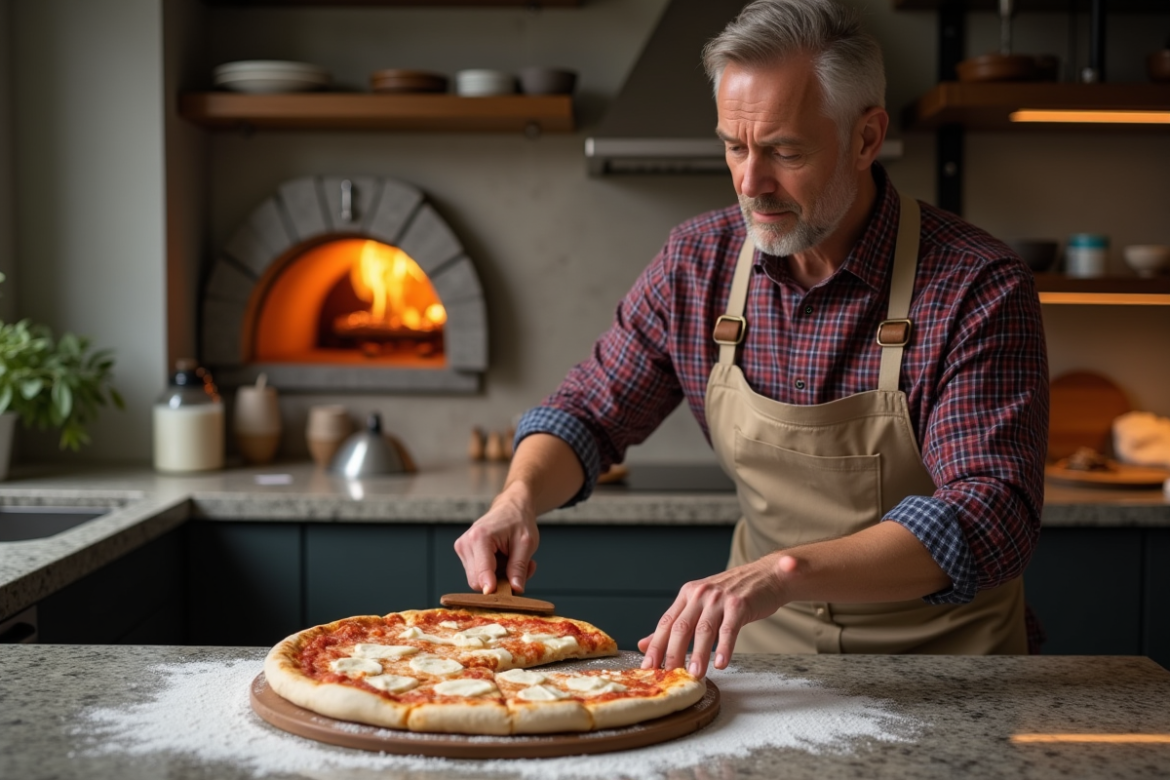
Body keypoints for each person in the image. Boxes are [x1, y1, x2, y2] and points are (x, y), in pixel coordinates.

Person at [454, 0, 1048, 678]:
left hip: (951, 670)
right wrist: (518, 499)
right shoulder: (697, 263)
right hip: (768, 666)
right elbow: (586, 412)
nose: (749, 182)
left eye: (784, 151)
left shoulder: (977, 284)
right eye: (734, 147)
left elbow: (990, 515)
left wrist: (785, 571)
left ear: (866, 137)